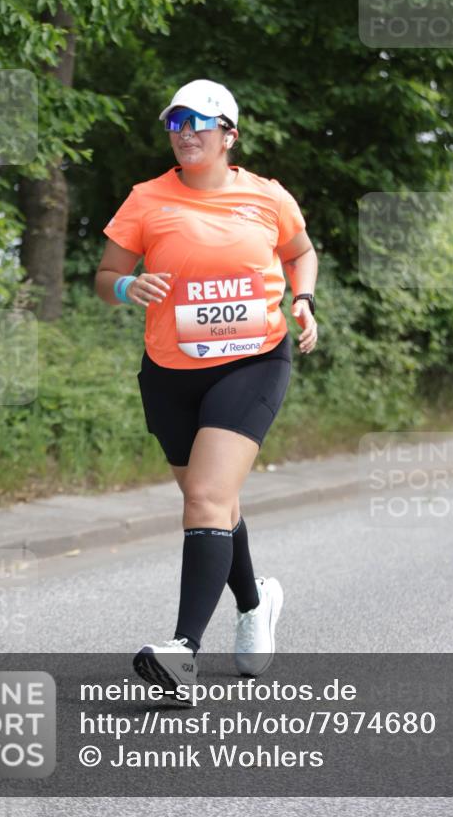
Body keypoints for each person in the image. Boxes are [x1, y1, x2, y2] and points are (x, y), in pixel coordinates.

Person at [95, 79, 318, 697]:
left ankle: (181, 655)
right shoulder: (146, 199)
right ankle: (255, 603)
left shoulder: (267, 196)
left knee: (205, 498)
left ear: (229, 135)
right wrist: (126, 287)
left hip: (253, 360)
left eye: (198, 122)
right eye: (176, 123)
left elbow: (301, 253)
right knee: (213, 503)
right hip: (170, 372)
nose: (185, 132)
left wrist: (303, 299)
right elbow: (107, 275)